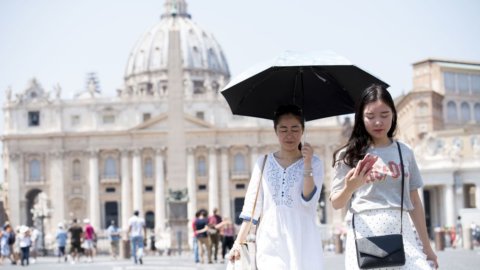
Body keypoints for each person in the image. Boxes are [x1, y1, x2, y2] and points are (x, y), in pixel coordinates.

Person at [330, 84, 439, 269]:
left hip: (402, 229)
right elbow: (336, 203)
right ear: (360, 118)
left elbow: (415, 201)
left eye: (384, 115)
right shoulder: (348, 155)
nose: (378, 122)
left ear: (394, 115)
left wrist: (427, 247)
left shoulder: (405, 152)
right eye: (370, 116)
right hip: (364, 232)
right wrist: (350, 187)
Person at [229, 104, 324, 270]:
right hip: (270, 237)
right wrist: (238, 241)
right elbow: (252, 206)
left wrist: (307, 164)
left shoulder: (315, 163)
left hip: (303, 236)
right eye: (283, 129)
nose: (289, 135)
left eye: (295, 129)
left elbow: (309, 200)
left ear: (302, 130)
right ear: (275, 131)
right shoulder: (263, 162)